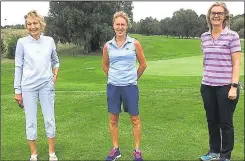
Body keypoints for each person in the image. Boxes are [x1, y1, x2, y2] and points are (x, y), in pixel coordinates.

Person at [14, 10, 60, 161]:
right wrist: (17, 90)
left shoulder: (49, 41)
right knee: (31, 120)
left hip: (46, 85)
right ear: (26, 25)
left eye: (35, 23)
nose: (32, 26)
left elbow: (56, 60)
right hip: (28, 87)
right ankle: (33, 154)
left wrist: (54, 75)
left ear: (41, 24)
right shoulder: (22, 43)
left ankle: (51, 153)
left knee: (49, 119)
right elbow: (18, 67)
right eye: (29, 24)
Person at [199, 2, 242, 161]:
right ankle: (214, 152)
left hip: (226, 86)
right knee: (212, 121)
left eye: (219, 13)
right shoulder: (204, 37)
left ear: (225, 17)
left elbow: (237, 63)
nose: (216, 16)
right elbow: (206, 61)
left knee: (225, 123)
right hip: (207, 85)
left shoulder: (232, 36)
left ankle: (225, 156)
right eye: (213, 13)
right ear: (209, 16)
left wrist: (234, 86)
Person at [102, 11, 147, 161]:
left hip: (130, 86)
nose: (120, 27)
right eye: (117, 24)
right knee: (113, 119)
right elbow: (105, 66)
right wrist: (114, 78)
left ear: (127, 26)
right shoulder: (108, 46)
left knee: (135, 119)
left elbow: (143, 64)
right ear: (113, 26)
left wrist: (133, 78)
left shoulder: (135, 43)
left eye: (123, 24)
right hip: (113, 86)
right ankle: (115, 149)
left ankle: (137, 150)